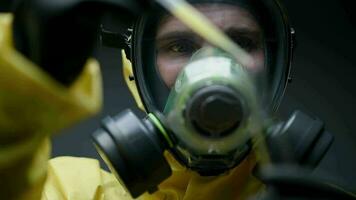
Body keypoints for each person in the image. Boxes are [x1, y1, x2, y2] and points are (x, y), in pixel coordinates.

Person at [0, 0, 295, 199]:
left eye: (241, 43)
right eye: (180, 46)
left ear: (277, 63)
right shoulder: (69, 191)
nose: (211, 66)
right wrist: (17, 87)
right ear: (135, 67)